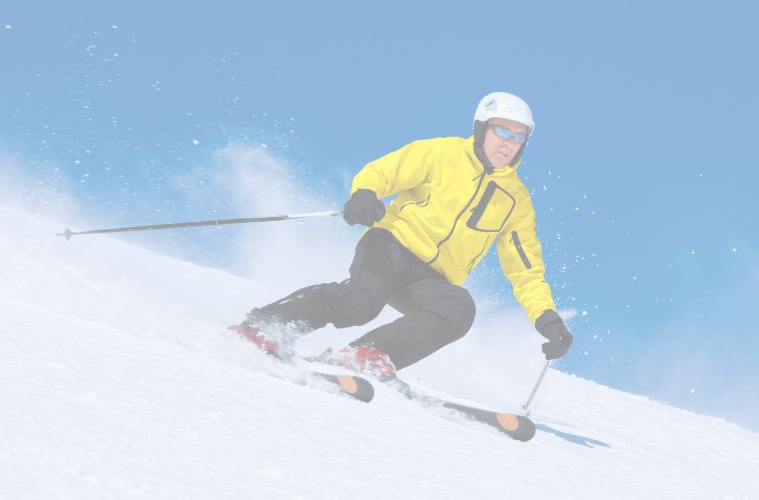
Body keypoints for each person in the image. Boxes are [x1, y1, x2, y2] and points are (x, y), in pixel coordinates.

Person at [230, 91, 572, 380]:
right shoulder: (442, 154)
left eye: (518, 136)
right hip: (392, 245)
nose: (509, 143)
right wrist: (365, 193)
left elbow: (525, 269)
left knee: (458, 308)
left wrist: (547, 318)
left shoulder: (516, 201)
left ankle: (367, 355)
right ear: (482, 129)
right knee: (360, 304)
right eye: (502, 131)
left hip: (431, 278)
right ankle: (266, 325)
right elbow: (385, 171)